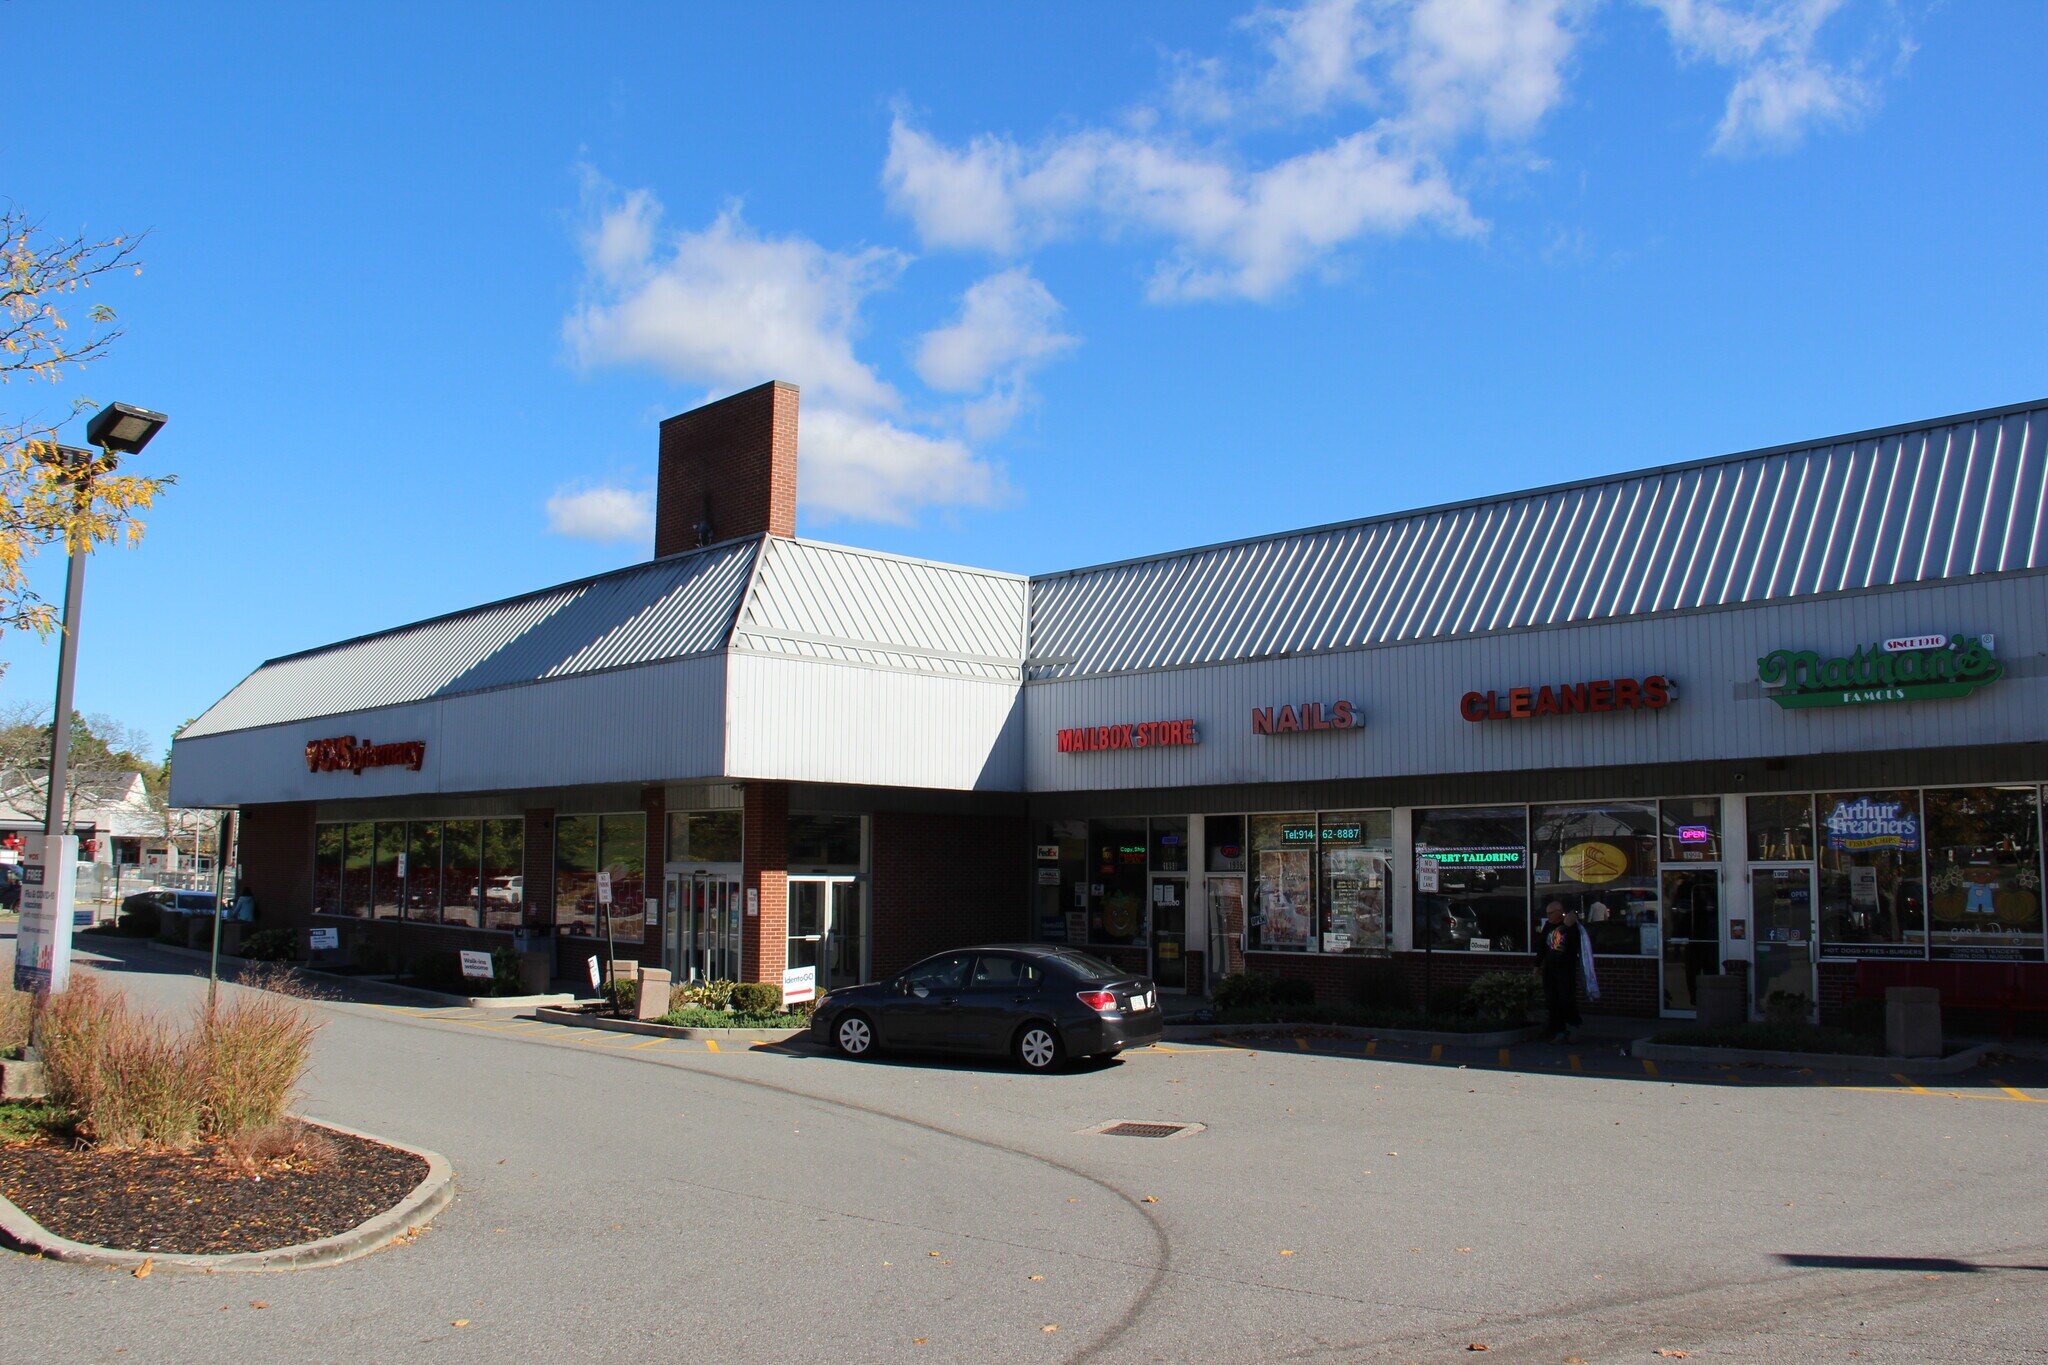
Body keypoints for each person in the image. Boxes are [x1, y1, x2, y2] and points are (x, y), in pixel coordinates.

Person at [1533, 900, 1584, 1042]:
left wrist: (1566, 927)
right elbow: (1543, 946)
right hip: (1550, 968)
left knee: (1566, 998)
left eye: (1551, 913)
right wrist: (1537, 966)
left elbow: (1570, 944)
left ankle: (1573, 1025)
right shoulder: (1549, 926)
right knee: (1552, 1000)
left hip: (1565, 968)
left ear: (1559, 912)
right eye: (1547, 913)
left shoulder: (1571, 926)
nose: (1548, 916)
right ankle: (1557, 1028)